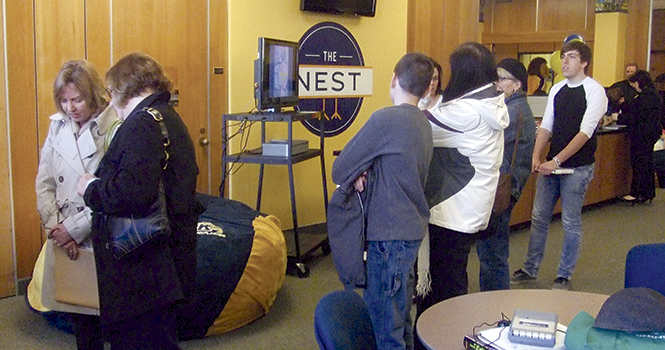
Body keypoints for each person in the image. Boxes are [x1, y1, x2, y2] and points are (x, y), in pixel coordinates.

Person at [77, 52, 200, 349]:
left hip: (142, 266)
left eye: (109, 92)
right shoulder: (168, 116)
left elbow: (130, 193)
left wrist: (90, 188)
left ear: (122, 88)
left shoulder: (141, 124)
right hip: (168, 257)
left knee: (139, 339)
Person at [331, 52, 434, 350]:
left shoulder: (386, 119)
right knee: (400, 321)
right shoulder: (422, 123)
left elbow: (340, 168)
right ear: (428, 88)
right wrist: (367, 169)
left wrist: (358, 170)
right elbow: (397, 166)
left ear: (393, 79)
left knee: (383, 326)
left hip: (388, 237)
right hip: (410, 231)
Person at [415, 42, 508, 327]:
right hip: (467, 209)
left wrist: (419, 98)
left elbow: (414, 126)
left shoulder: (469, 112)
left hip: (452, 212)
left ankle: (437, 340)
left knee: (443, 289)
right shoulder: (490, 103)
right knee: (452, 279)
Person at [29, 59, 118, 350]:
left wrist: (73, 230)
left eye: (77, 99)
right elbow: (45, 182)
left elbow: (113, 191)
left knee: (114, 320)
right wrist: (56, 228)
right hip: (65, 238)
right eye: (64, 101)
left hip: (100, 234)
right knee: (81, 319)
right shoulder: (57, 128)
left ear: (92, 94)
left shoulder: (114, 126)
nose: (70, 108)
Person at [511, 40, 607, 291]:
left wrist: (556, 161)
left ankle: (563, 274)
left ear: (584, 62)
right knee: (539, 217)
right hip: (552, 167)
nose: (565, 62)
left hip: (577, 168)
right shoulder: (558, 89)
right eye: (563, 57)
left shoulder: (595, 91)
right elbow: (547, 126)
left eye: (572, 57)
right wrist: (536, 154)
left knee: (570, 222)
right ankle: (530, 268)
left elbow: (585, 132)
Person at [475, 58, 536, 291]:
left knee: (492, 254)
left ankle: (493, 303)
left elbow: (483, 139)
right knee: (492, 251)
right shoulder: (514, 108)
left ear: (517, 84)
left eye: (502, 78)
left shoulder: (512, 112)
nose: (497, 84)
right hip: (506, 188)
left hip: (501, 190)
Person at [617, 69, 663, 203]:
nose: (633, 86)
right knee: (646, 162)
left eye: (634, 83)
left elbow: (635, 116)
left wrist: (619, 117)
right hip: (651, 132)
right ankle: (647, 193)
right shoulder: (653, 95)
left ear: (639, 82)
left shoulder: (645, 97)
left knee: (639, 163)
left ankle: (636, 192)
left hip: (642, 134)